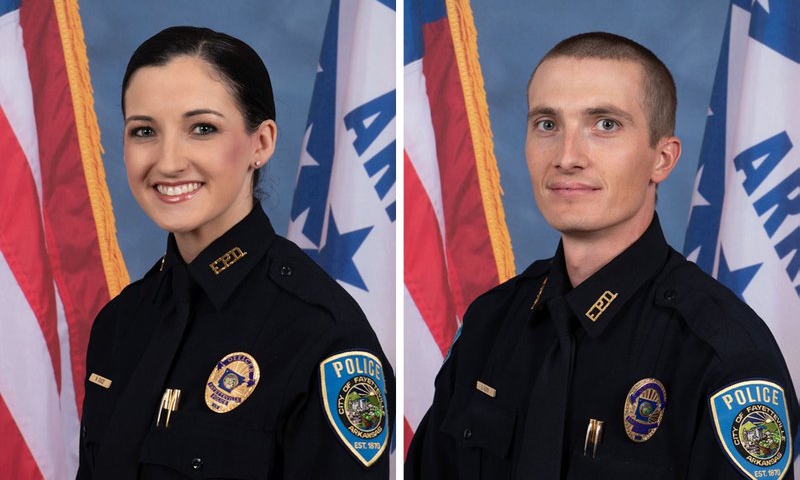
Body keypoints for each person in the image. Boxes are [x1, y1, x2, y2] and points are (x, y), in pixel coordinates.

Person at [405, 32, 798, 480]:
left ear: (662, 159)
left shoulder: (721, 353)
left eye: (605, 124)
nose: (567, 157)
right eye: (547, 124)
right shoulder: (491, 323)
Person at [77, 26, 393, 479]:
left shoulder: (322, 336)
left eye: (202, 129)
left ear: (260, 144)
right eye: (144, 131)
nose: (167, 162)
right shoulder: (120, 323)